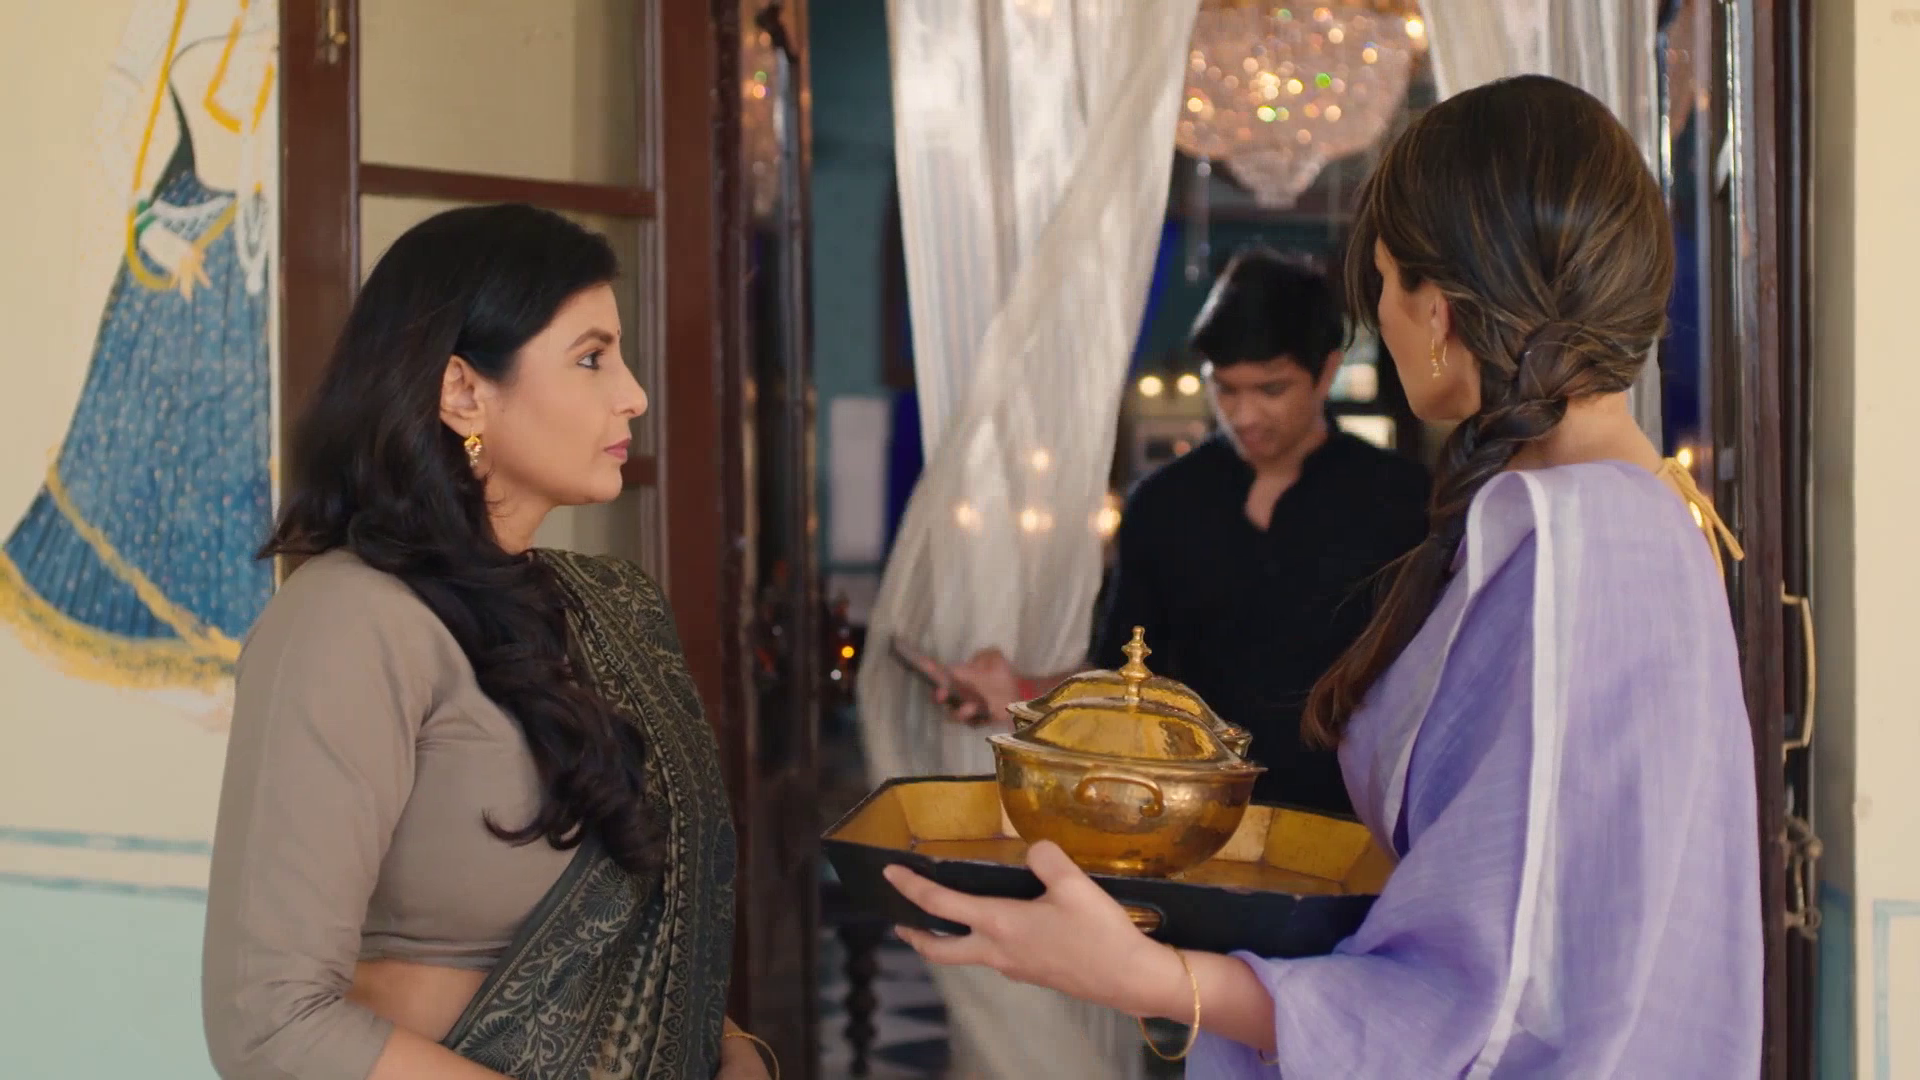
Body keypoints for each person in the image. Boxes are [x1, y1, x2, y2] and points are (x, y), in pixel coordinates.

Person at [883, 75, 1762, 1077]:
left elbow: (1482, 1004)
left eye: (1381, 282)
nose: (1381, 315)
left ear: (1437, 309)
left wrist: (1146, 978)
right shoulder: (1603, 521)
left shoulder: (1586, 543)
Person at [201, 205, 772, 1080]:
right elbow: (270, 1022)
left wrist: (737, 1056)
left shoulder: (607, 606)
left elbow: (648, 955)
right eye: (591, 358)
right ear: (462, 391)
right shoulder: (351, 622)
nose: (634, 394)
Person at [939, 250, 1429, 814]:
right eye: (1226, 389)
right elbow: (1123, 677)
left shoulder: (1399, 500)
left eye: (1271, 389)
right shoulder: (1165, 503)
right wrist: (1021, 693)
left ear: (1327, 371)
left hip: (1351, 818)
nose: (1243, 416)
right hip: (1186, 815)